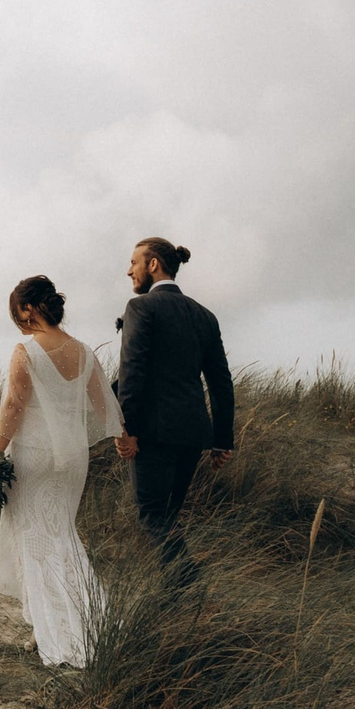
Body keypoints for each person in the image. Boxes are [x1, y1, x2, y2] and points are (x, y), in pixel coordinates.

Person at [0, 275, 119, 666]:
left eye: (15, 311)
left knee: (37, 545)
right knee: (61, 535)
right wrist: (106, 436)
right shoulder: (85, 352)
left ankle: (62, 633)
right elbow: (103, 407)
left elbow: (13, 408)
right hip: (73, 462)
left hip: (35, 459)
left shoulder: (26, 352)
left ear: (27, 309)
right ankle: (62, 626)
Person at [112, 237, 234, 579]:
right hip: (194, 433)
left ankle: (189, 585)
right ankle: (172, 602)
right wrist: (222, 440)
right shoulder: (205, 316)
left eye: (134, 262)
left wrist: (127, 430)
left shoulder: (141, 309)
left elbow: (132, 373)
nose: (129, 270)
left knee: (152, 513)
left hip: (152, 432)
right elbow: (221, 382)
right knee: (167, 515)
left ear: (153, 265)